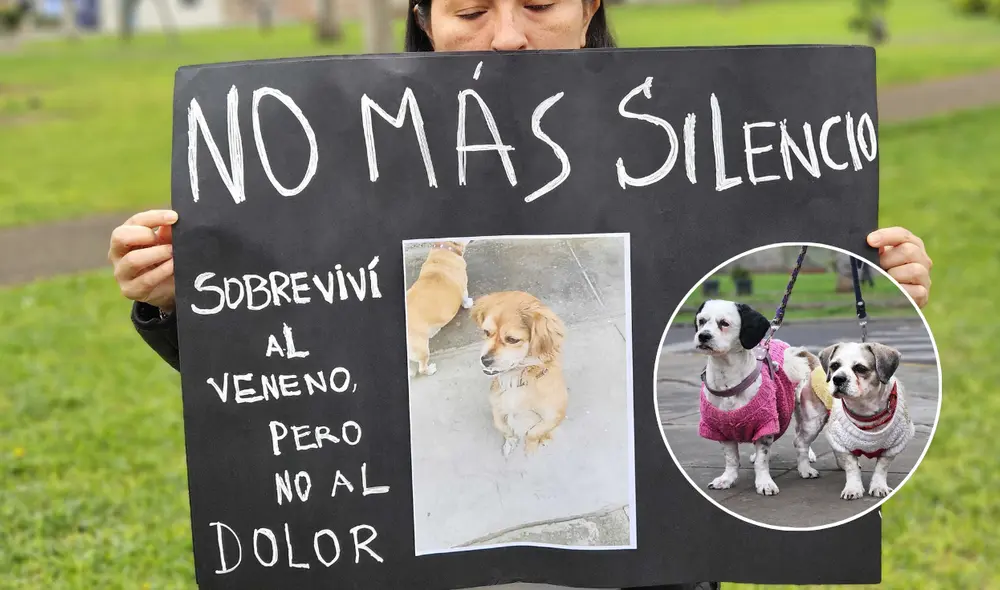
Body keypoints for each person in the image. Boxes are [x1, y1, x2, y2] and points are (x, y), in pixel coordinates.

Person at [108, 2, 934, 589]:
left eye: (539, 2)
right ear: (425, 18)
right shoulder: (345, 171)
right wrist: (184, 302)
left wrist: (873, 272)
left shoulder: (680, 153)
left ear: (589, 7)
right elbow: (290, 375)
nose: (507, 36)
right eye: (470, 10)